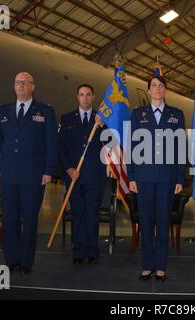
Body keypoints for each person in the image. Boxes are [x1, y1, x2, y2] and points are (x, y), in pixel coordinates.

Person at [0, 72, 58, 275]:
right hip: (8, 174)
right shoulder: (3, 111)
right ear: (14, 86)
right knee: (10, 219)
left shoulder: (45, 111)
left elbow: (51, 143)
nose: (20, 85)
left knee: (30, 219)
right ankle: (12, 260)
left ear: (32, 87)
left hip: (33, 175)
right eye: (17, 82)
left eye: (25, 82)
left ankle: (26, 261)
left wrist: (48, 170)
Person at [128, 76, 185, 282]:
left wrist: (180, 178)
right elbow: (132, 146)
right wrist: (131, 176)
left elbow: (180, 149)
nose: (157, 89)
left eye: (161, 85)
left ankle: (160, 266)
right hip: (143, 177)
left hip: (167, 178)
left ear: (165, 90)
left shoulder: (176, 115)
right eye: (154, 85)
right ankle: (147, 265)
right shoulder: (137, 114)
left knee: (162, 222)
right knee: (146, 221)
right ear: (149, 90)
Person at [58, 84, 106, 266]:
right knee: (78, 214)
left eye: (88, 95)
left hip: (95, 176)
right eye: (81, 95)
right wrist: (68, 168)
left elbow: (111, 143)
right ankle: (78, 251)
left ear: (93, 97)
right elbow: (61, 147)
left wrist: (101, 127)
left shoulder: (101, 120)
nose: (85, 98)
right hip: (74, 176)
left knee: (92, 214)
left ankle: (92, 251)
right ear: (77, 97)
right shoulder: (67, 118)